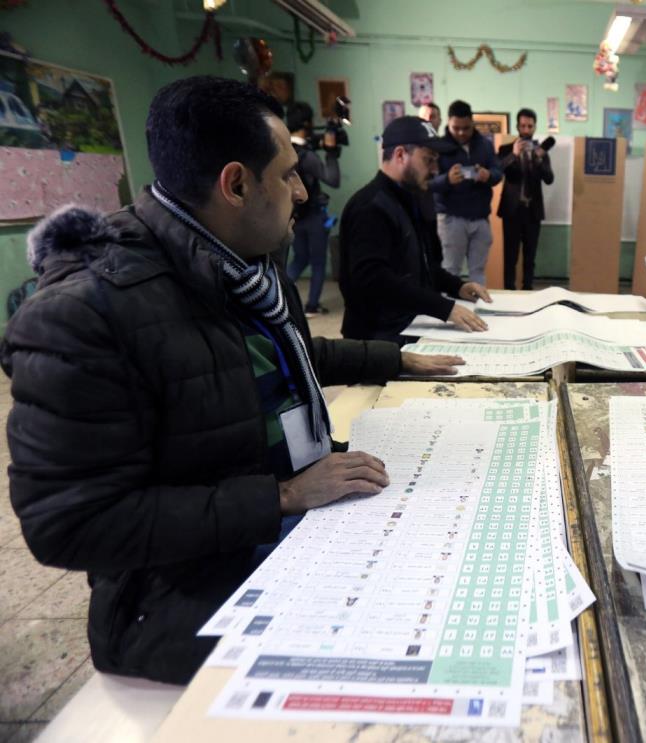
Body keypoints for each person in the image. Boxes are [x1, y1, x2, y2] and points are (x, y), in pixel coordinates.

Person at [1, 76, 464, 685]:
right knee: (429, 655)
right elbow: (70, 524)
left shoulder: (243, 259)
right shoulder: (87, 314)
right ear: (237, 185)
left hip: (299, 520)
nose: (302, 192)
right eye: (289, 174)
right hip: (186, 596)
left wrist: (394, 360)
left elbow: (285, 353)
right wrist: (283, 496)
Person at [339, 116, 491, 342]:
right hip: (376, 340)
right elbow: (373, 279)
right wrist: (444, 308)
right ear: (400, 155)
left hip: (409, 324)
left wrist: (457, 286)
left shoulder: (411, 199)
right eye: (428, 160)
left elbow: (424, 267)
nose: (434, 170)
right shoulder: (370, 206)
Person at [429, 99, 503, 285]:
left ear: (473, 123)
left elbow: (498, 172)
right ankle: (449, 313)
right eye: (456, 128)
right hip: (451, 219)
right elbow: (426, 184)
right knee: (450, 270)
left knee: (478, 272)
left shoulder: (485, 145)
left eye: (466, 128)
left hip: (480, 218)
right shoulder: (438, 147)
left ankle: (478, 311)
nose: (461, 133)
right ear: (449, 123)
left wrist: (488, 175)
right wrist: (447, 179)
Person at [282, 101, 339, 313]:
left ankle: (277, 295)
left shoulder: (284, 151)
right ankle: (312, 306)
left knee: (300, 258)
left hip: (294, 216)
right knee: (317, 263)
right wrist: (332, 153)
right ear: (307, 123)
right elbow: (333, 180)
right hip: (314, 216)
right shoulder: (308, 155)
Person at [497, 108, 553, 290]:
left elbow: (549, 179)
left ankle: (528, 292)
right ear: (517, 127)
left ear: (535, 127)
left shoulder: (542, 152)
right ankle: (508, 293)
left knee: (530, 258)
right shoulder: (505, 149)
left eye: (530, 126)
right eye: (523, 126)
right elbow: (499, 171)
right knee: (510, 257)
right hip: (512, 211)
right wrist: (513, 154)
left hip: (533, 211)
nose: (527, 130)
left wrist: (538, 159)